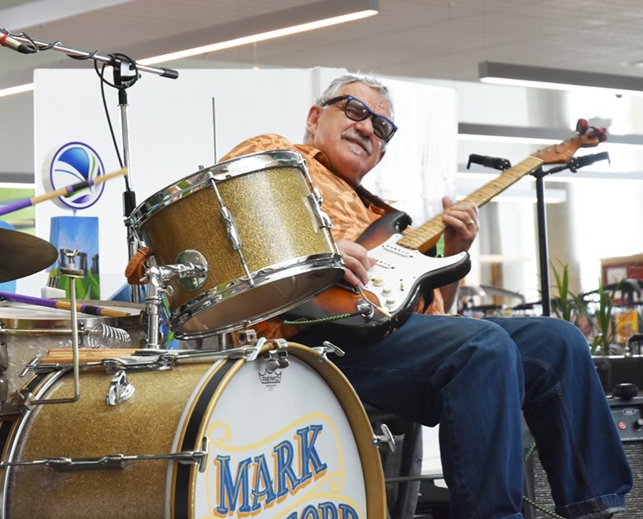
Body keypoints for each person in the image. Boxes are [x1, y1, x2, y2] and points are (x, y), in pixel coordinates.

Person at [224, 73, 632, 519]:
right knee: (483, 345)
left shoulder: (385, 219)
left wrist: (454, 255)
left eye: (382, 128)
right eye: (355, 111)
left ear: (381, 153)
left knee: (558, 341)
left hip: (385, 335)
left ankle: (598, 507)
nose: (367, 128)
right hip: (303, 338)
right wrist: (314, 255)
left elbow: (440, 319)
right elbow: (217, 224)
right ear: (315, 116)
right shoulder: (274, 156)